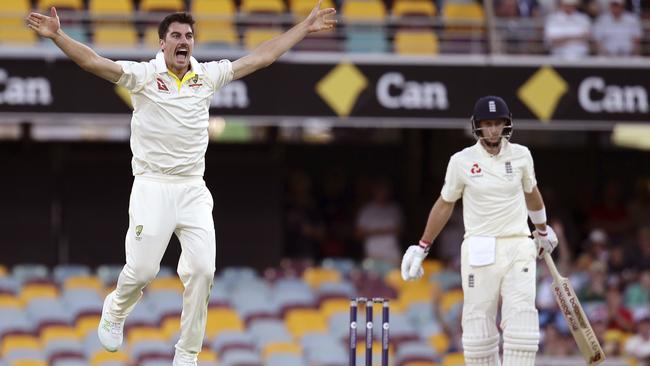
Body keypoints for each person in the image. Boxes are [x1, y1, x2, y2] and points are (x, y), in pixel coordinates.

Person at [26, 4, 336, 366]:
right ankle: (116, 308)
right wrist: (59, 36)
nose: (183, 41)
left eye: (188, 36)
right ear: (162, 44)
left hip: (192, 188)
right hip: (152, 185)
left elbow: (261, 57)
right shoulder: (143, 76)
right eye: (176, 35)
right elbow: (95, 63)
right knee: (142, 271)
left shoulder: (206, 76)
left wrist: (304, 27)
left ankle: (186, 353)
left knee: (203, 271)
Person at [401, 96, 559, 365]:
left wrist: (542, 230)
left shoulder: (521, 155)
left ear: (506, 124)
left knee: (522, 322)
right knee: (477, 330)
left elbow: (531, 193)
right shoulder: (461, 161)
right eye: (488, 124)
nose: (494, 130)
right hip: (479, 247)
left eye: (498, 123)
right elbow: (444, 204)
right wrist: (422, 246)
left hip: (518, 244)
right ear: (477, 126)